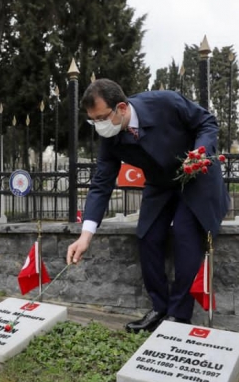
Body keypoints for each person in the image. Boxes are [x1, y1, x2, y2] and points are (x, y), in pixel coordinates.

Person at [66, 78, 229, 333]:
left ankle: (178, 316)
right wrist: (86, 236)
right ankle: (159, 308)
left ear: (121, 108)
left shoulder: (166, 102)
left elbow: (207, 121)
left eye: (101, 118)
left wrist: (199, 153)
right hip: (160, 184)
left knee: (186, 236)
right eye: (93, 120)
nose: (98, 126)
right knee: (147, 236)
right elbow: (101, 183)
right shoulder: (111, 137)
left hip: (196, 175)